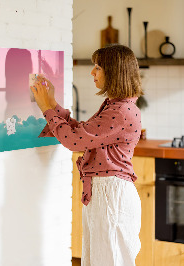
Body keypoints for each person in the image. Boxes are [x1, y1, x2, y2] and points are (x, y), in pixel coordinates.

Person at [31, 44, 143, 266]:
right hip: (106, 193)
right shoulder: (116, 106)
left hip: (111, 195)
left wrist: (46, 108)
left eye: (98, 67)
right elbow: (82, 133)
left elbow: (74, 141)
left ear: (114, 72)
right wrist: (52, 104)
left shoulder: (120, 111)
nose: (92, 72)